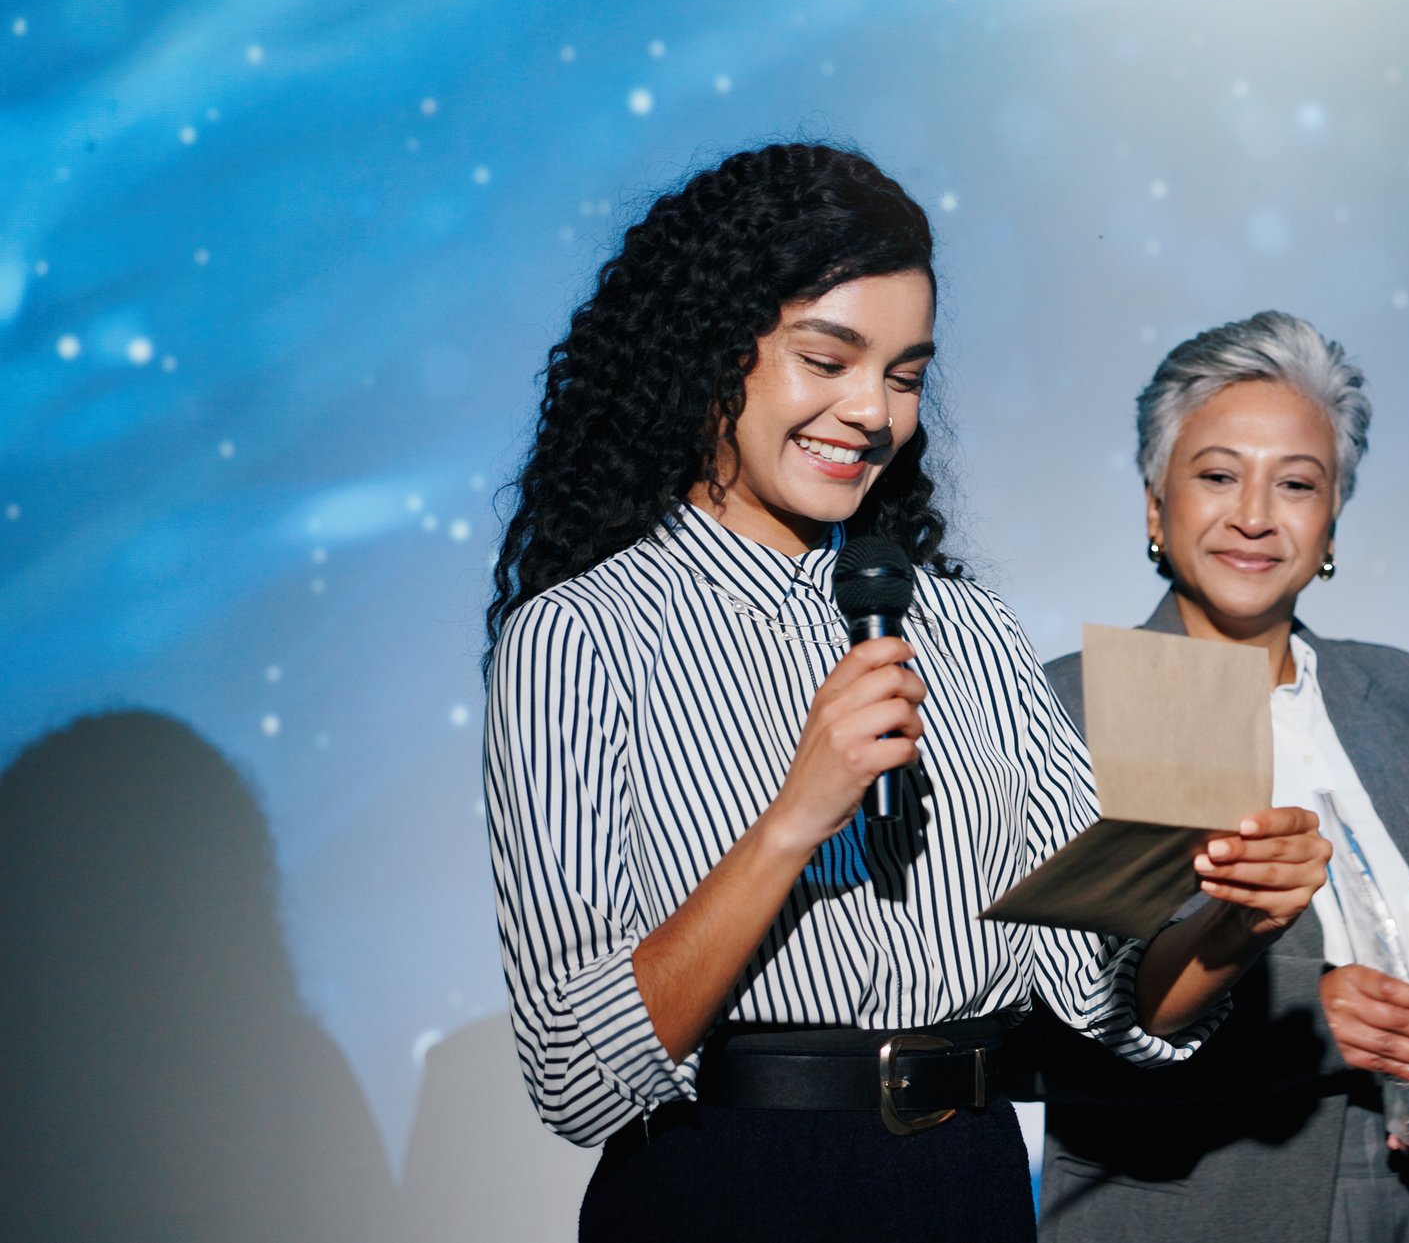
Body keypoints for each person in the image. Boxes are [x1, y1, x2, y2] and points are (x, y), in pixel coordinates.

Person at [480, 143, 1330, 1243]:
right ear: (710, 348)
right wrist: (796, 815)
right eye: (826, 358)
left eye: (904, 373)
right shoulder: (580, 635)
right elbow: (573, 1075)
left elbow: (1106, 992)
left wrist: (1234, 919)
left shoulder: (967, 632)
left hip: (961, 1182)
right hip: (724, 1189)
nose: (871, 411)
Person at [1022, 312, 1409, 1242]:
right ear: (1155, 505)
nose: (1256, 515)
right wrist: (1311, 1009)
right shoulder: (1071, 707)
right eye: (1218, 475)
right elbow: (1046, 1028)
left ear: (1333, 517)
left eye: (1297, 484)